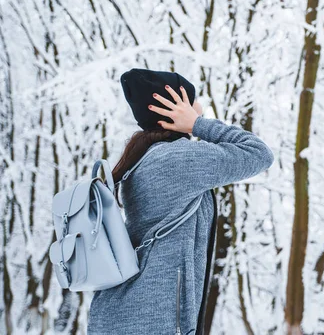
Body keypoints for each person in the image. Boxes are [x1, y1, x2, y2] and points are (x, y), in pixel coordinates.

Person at [87, 68, 274, 335]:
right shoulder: (179, 159)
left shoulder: (140, 160)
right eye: (194, 100)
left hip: (126, 314)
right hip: (154, 321)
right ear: (176, 106)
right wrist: (197, 124)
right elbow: (259, 153)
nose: (200, 106)